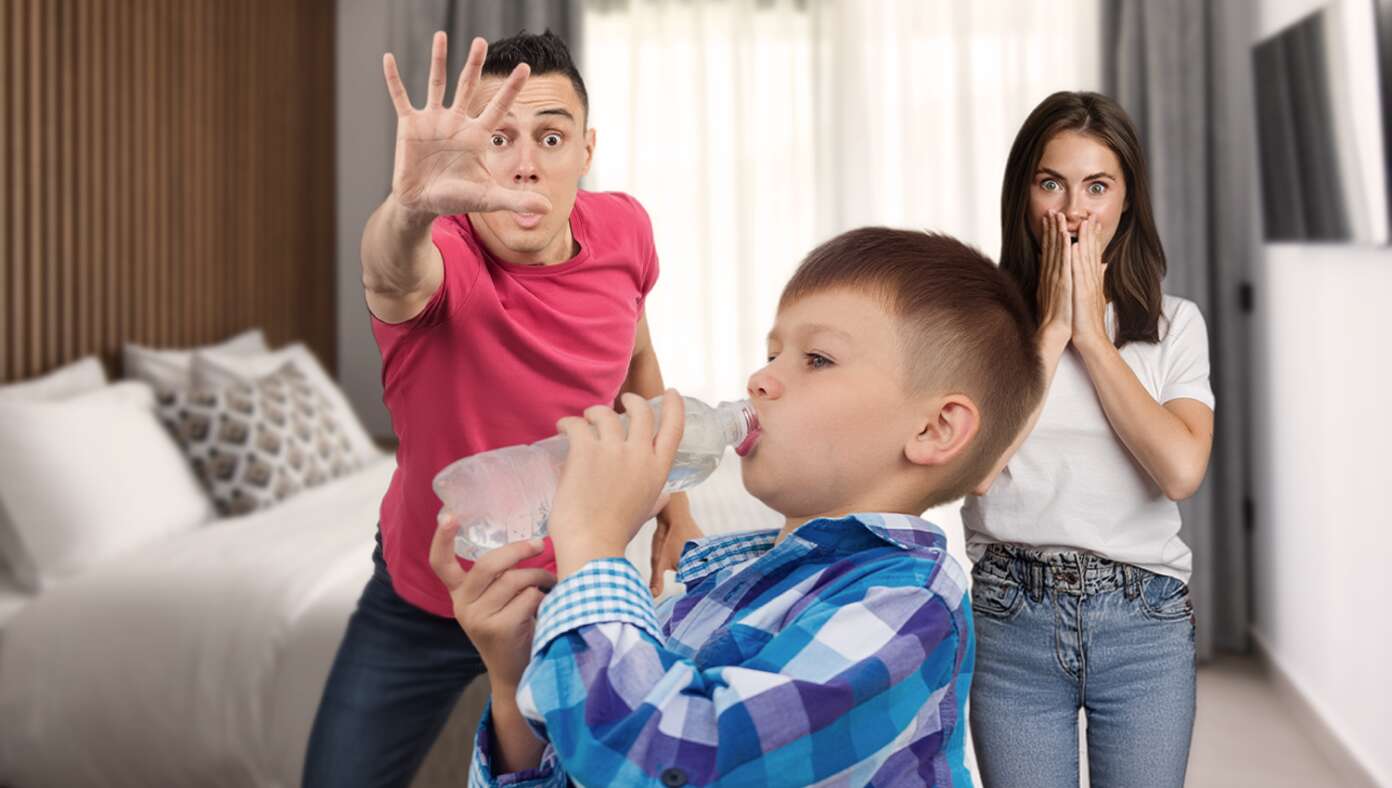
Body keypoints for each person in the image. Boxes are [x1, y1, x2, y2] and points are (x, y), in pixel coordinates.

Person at [431, 227, 1046, 786]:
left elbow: (675, 762)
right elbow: (594, 770)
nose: (760, 378)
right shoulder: (714, 588)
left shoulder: (907, 604)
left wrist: (594, 550)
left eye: (817, 359)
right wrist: (514, 689)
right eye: (772, 352)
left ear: (935, 430)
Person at [303, 30, 700, 787]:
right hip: (425, 596)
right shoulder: (444, 255)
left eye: (550, 137)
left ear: (587, 151)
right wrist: (408, 207)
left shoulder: (625, 229)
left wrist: (674, 499)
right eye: (499, 138)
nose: (525, 163)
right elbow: (390, 269)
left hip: (574, 587)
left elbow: (637, 359)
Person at [963, 91, 1216, 788]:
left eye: (1097, 187)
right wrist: (1047, 333)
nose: (1074, 212)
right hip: (1011, 616)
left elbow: (1180, 470)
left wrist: (1095, 343)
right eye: (1052, 184)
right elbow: (976, 471)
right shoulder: (982, 326)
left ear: (1126, 202)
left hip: (1144, 620)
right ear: (1024, 197)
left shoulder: (1175, 326)